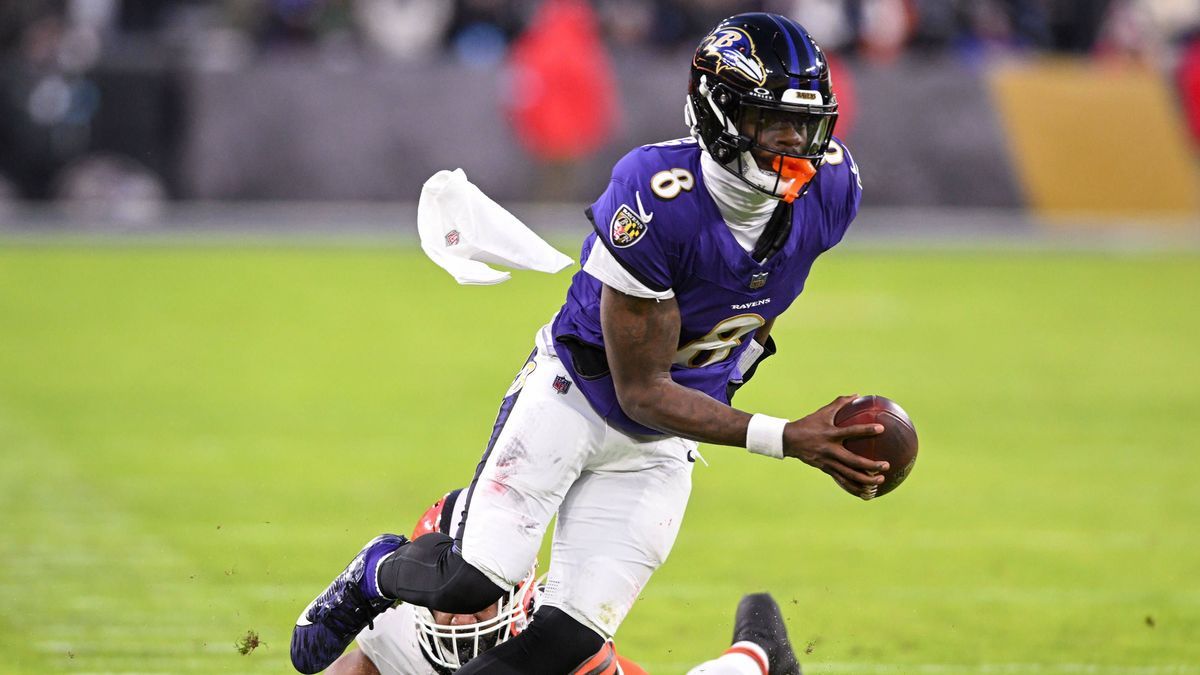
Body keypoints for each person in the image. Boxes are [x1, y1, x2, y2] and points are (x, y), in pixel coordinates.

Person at [292, 12, 887, 674]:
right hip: (576, 396)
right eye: (772, 122)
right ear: (719, 113)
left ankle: (756, 661)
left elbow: (763, 290)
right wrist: (785, 436)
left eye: (806, 125)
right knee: (473, 580)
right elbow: (642, 390)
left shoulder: (833, 189)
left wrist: (732, 366)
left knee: (564, 643)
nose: (794, 144)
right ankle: (376, 570)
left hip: (660, 445)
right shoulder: (657, 197)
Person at [312, 489, 803, 675]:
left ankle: (759, 650)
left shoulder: (564, 641)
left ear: (516, 582)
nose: (461, 612)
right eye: (447, 593)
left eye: (477, 593)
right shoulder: (392, 638)